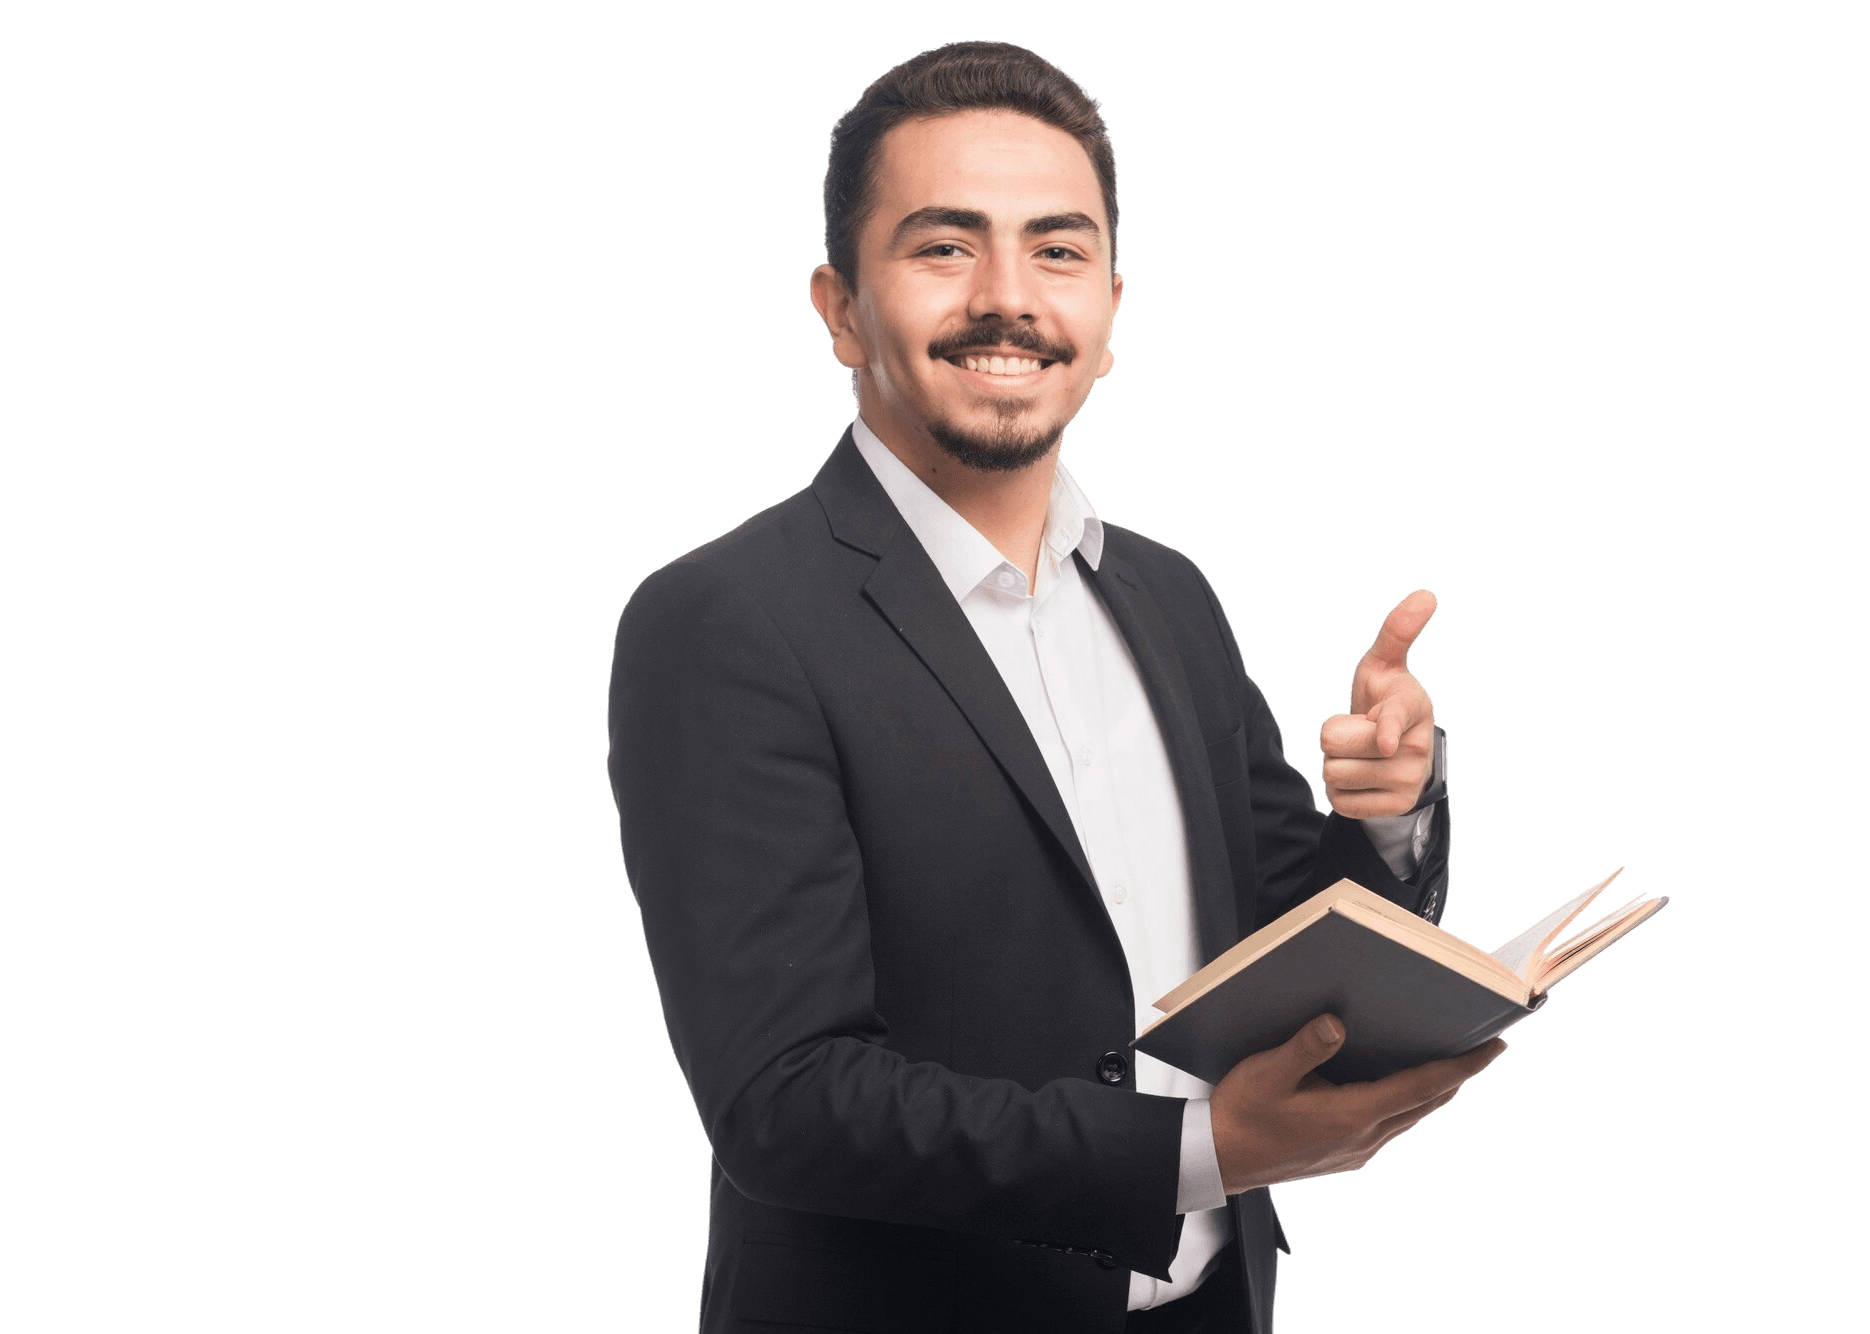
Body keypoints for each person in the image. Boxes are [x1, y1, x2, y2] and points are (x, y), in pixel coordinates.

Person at [607, 41, 1504, 1333]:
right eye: (942, 246)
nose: (1007, 296)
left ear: (1111, 316)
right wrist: (1199, 1151)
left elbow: (1277, 944)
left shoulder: (1169, 596)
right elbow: (785, 1103)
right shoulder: (722, 622)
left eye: (1058, 249)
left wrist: (1385, 811)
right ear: (841, 307)